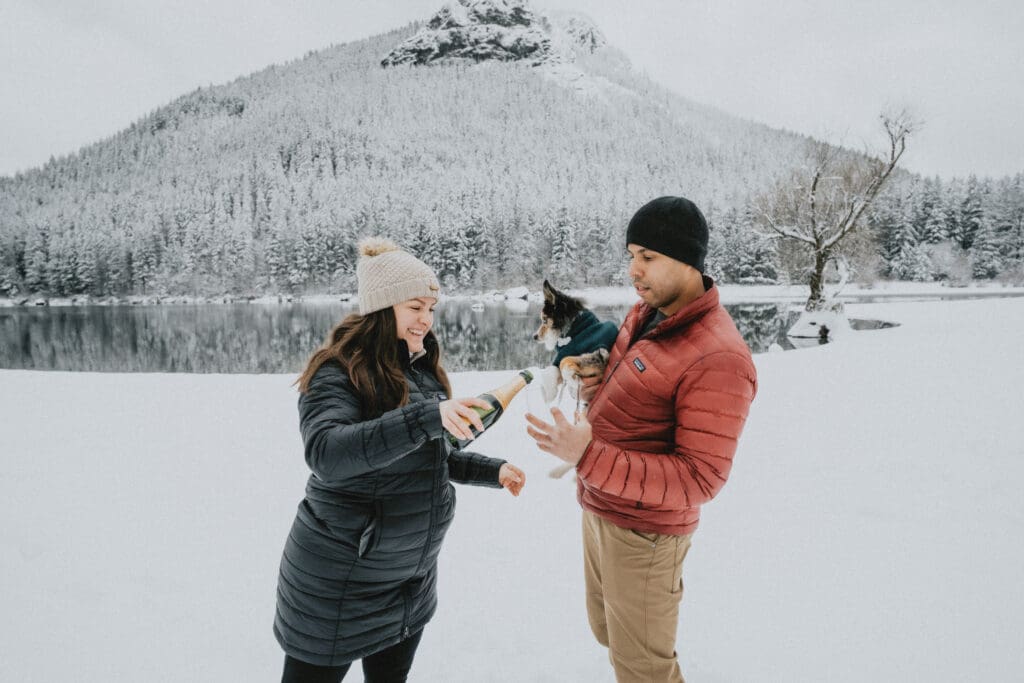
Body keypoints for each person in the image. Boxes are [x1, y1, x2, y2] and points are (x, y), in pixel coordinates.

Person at [526, 196, 757, 682]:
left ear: (688, 260)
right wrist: (596, 383)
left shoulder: (720, 357)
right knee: (608, 632)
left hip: (646, 534)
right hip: (601, 508)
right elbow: (634, 380)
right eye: (631, 255)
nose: (634, 269)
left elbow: (701, 479)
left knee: (643, 670)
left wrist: (586, 454)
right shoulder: (644, 314)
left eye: (647, 257)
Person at [274, 237, 525, 683]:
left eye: (431, 308)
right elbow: (327, 452)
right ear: (383, 307)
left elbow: (430, 456)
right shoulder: (337, 372)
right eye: (415, 307)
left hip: (408, 582)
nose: (426, 320)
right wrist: (425, 418)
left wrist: (492, 470)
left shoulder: (421, 372)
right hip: (338, 586)